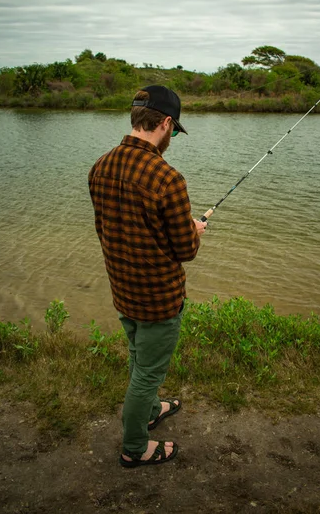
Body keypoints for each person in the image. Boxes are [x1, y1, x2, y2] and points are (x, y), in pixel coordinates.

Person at [88, 85, 207, 468]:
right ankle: (134, 448)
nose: (172, 137)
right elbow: (185, 250)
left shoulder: (100, 166)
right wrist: (194, 230)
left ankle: (152, 408)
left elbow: (110, 228)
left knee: (139, 359)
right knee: (146, 372)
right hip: (159, 300)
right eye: (174, 130)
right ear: (166, 123)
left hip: (122, 291)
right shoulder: (168, 178)